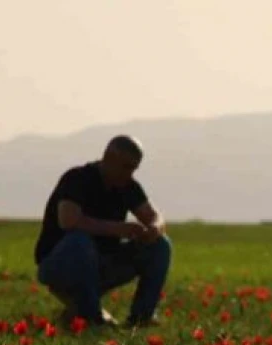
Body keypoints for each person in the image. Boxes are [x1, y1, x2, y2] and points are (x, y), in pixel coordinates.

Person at [34, 135, 171, 327]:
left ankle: (142, 318)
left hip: (101, 265)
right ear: (108, 158)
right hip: (61, 264)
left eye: (133, 168)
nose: (129, 173)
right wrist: (118, 229)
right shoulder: (77, 178)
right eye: (125, 167)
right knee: (79, 241)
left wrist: (154, 229)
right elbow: (69, 220)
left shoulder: (128, 186)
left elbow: (154, 216)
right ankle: (91, 317)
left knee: (160, 246)